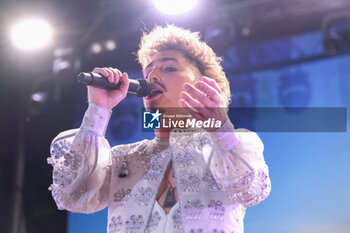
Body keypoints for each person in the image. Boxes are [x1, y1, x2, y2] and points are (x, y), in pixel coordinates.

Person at [48, 25, 271, 233]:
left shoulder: (227, 150)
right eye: (147, 73)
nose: (152, 76)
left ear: (203, 83)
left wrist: (220, 129)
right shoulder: (123, 159)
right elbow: (72, 196)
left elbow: (251, 190)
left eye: (169, 68)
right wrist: (98, 109)